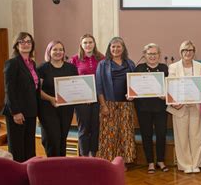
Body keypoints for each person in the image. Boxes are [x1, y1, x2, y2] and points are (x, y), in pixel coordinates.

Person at [96, 37, 136, 166]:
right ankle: (109, 162)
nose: (116, 49)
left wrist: (133, 95)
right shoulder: (103, 64)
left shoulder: (130, 63)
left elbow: (136, 83)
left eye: (119, 46)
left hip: (126, 105)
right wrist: (103, 105)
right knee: (110, 134)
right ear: (109, 48)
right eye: (113, 47)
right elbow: (99, 86)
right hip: (109, 104)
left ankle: (123, 161)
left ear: (123, 48)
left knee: (125, 133)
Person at [167, 41, 201, 173]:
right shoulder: (173, 67)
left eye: (190, 50)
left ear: (194, 52)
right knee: (181, 137)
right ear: (180, 52)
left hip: (195, 106)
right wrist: (175, 102)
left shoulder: (200, 66)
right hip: (179, 106)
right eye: (184, 50)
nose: (187, 53)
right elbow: (171, 85)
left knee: (196, 135)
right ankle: (185, 165)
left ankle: (196, 164)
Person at [3, 32, 40, 162]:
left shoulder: (32, 64)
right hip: (17, 112)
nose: (25, 44)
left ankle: (28, 174)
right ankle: (16, 176)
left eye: (28, 42)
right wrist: (16, 112)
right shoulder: (12, 63)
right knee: (17, 148)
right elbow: (9, 90)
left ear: (32, 45)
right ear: (16, 45)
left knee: (29, 147)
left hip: (30, 111)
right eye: (22, 42)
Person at [38, 40, 78, 157]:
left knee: (62, 137)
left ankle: (61, 164)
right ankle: (52, 166)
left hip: (66, 108)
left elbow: (76, 87)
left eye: (61, 49)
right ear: (49, 52)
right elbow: (37, 90)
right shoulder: (42, 68)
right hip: (47, 108)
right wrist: (51, 98)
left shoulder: (71, 68)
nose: (58, 52)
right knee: (52, 138)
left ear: (64, 52)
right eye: (54, 49)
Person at [133, 43, 169, 174]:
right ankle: (150, 162)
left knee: (161, 134)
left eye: (155, 54)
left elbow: (170, 88)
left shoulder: (165, 69)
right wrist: (131, 94)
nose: (152, 56)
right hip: (144, 108)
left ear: (159, 55)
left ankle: (160, 160)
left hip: (160, 108)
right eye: (150, 54)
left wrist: (166, 96)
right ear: (145, 55)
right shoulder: (139, 69)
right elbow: (133, 87)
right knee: (146, 135)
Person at [69, 34, 104, 157]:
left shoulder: (101, 58)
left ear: (94, 43)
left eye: (90, 42)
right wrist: (84, 96)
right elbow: (71, 80)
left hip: (98, 99)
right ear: (81, 45)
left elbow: (103, 78)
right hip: (81, 100)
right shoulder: (74, 60)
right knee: (83, 129)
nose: (88, 45)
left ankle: (93, 154)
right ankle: (83, 156)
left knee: (95, 128)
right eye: (85, 43)